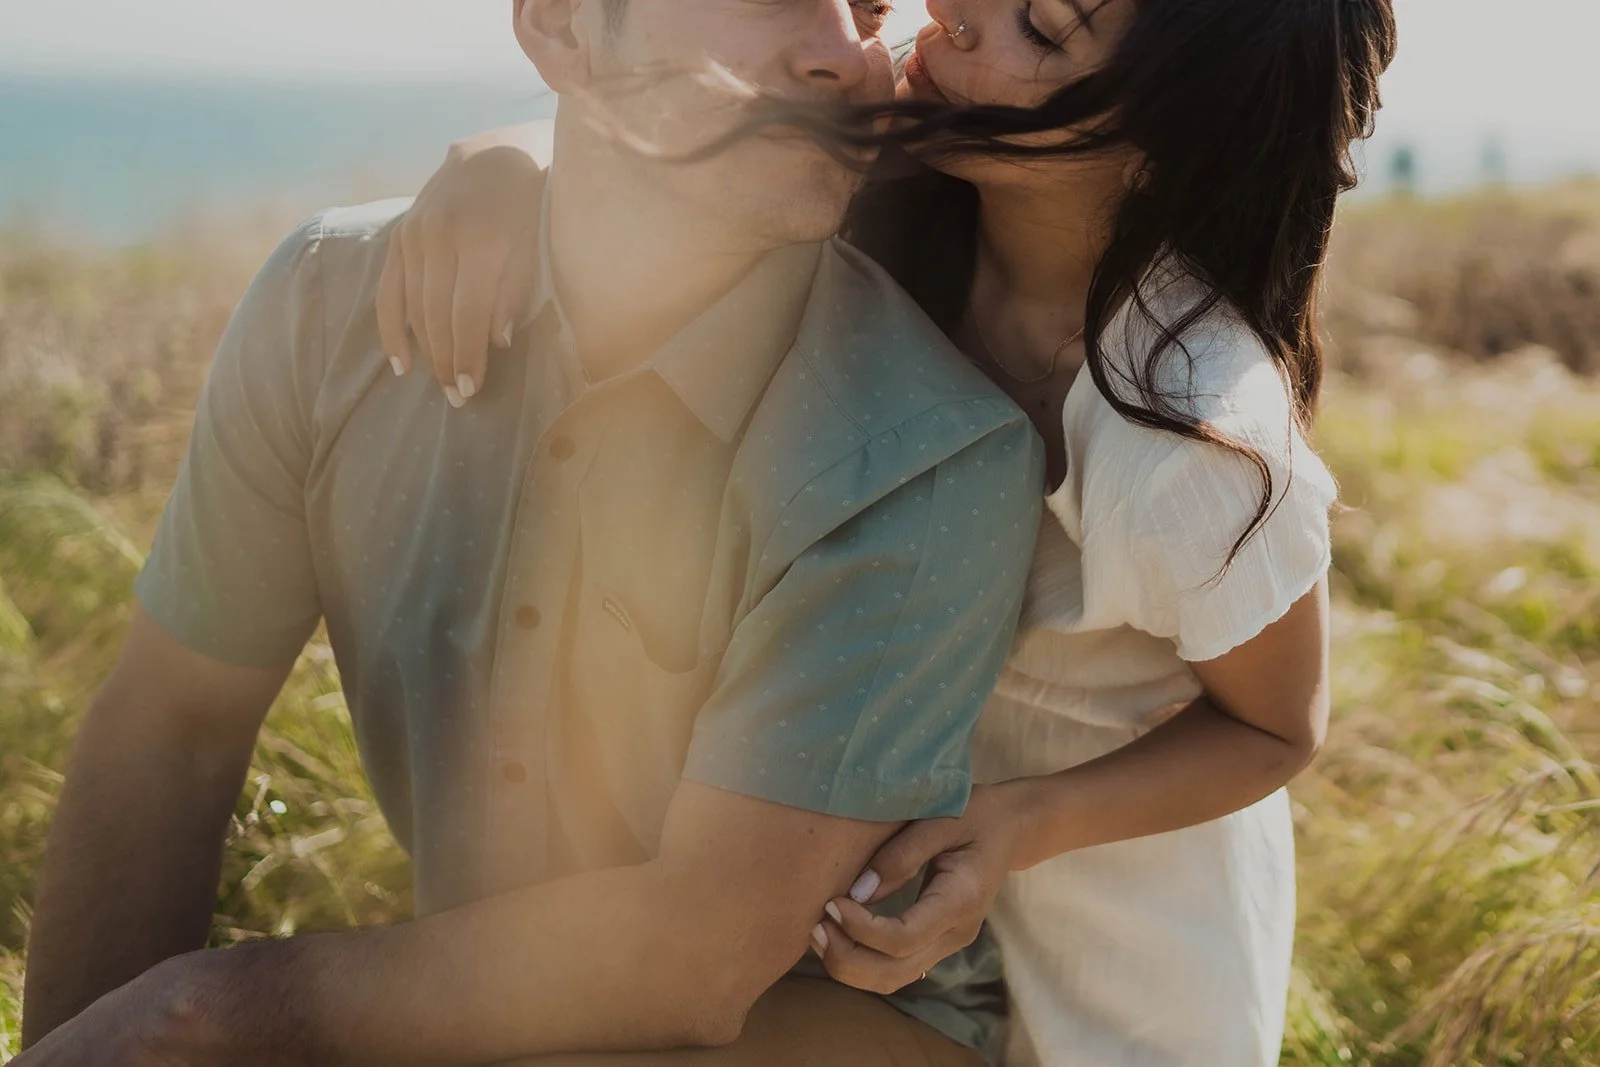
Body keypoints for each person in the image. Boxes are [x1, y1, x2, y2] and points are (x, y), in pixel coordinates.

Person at [16, 2, 1046, 1065]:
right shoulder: (326, 308)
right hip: (501, 1000)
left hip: (825, 1024)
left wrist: (212, 1008)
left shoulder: (924, 456)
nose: (842, 51)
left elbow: (692, 958)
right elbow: (173, 725)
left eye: (871, 7)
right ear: (558, 29)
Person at [375, 0, 1399, 1063]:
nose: (951, 9)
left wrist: (1020, 824)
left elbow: (1279, 729)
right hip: (870, 890)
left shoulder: (1195, 446)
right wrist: (502, 162)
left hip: (1116, 949)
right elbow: (682, 148)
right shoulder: (901, 191)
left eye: (1037, 27)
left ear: (1162, 141)